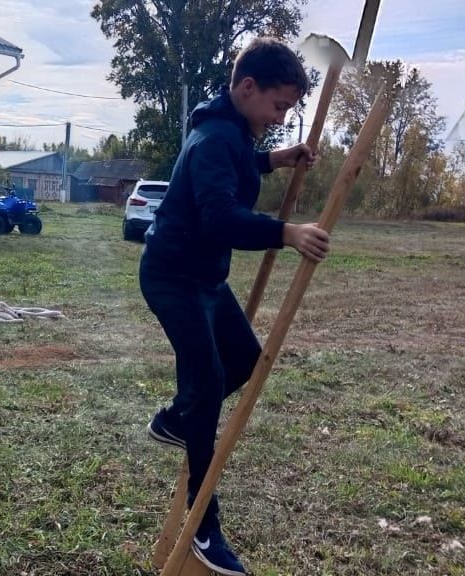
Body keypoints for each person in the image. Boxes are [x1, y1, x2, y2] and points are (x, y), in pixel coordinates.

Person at [139, 38, 331, 576]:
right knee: (208, 382)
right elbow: (220, 216)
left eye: (289, 110)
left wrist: (275, 158)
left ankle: (176, 418)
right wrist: (287, 232)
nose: (281, 117)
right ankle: (204, 528)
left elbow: (241, 162)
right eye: (279, 106)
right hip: (172, 277)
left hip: (204, 278)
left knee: (244, 360)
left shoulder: (231, 129)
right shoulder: (213, 137)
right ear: (248, 88)